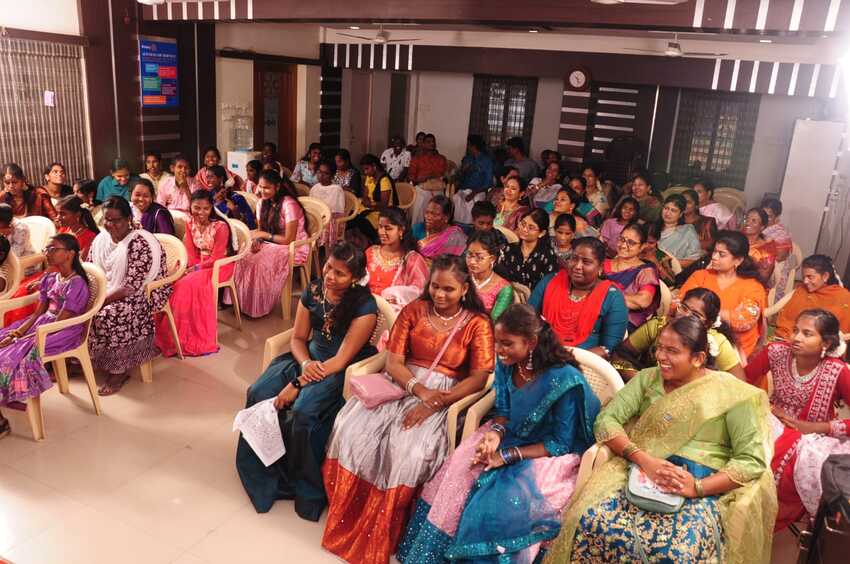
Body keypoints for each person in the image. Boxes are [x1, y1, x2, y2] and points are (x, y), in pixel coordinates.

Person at [547, 315, 776, 564]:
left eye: (672, 351)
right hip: (641, 471)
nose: (660, 357)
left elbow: (751, 460)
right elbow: (606, 420)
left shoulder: (730, 394)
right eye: (659, 348)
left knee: (677, 552)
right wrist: (644, 460)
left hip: (701, 484)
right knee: (591, 521)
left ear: (698, 358)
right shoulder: (648, 379)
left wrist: (697, 488)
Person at [322, 255, 495, 564]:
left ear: (465, 289)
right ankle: (348, 515)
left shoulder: (478, 324)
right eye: (435, 287)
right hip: (402, 383)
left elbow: (479, 377)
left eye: (449, 290)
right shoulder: (414, 310)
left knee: (408, 450)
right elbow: (394, 362)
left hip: (447, 396)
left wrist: (436, 401)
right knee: (352, 430)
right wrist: (418, 389)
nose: (440, 295)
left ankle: (388, 529)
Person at [397, 304, 600, 563]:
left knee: (498, 500)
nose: (499, 351)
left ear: (531, 343)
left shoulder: (564, 381)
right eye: (497, 342)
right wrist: (494, 435)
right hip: (510, 434)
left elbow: (559, 443)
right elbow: (503, 411)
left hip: (547, 452)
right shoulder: (508, 364)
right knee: (460, 468)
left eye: (507, 344)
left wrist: (506, 456)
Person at [237, 243, 379, 520]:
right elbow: (298, 338)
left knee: (304, 412)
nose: (329, 277)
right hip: (307, 359)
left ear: (355, 277)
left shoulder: (365, 307)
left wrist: (297, 384)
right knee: (258, 392)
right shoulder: (314, 290)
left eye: (340, 273)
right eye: (328, 267)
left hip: (338, 370)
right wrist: (303, 364)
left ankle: (304, 487)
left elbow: (339, 361)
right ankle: (265, 468)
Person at [745, 309, 850, 531]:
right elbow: (742, 383)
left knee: (815, 463)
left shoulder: (837, 370)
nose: (796, 338)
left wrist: (816, 427)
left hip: (814, 438)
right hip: (772, 423)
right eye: (795, 331)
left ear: (826, 342)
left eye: (807, 333)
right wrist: (771, 408)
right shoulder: (775, 352)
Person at [0, 234, 91, 438]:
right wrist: (17, 332)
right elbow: (38, 312)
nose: (47, 254)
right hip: (43, 325)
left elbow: (59, 321)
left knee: (7, 357)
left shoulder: (76, 284)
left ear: (69, 254)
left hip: (63, 330)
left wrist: (19, 340)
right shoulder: (51, 277)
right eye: (47, 249)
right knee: (3, 340)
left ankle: (2, 421)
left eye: (53, 249)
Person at [89, 197, 171, 395]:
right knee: (76, 305)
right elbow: (91, 268)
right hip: (109, 289)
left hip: (144, 292)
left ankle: (119, 370)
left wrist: (100, 301)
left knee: (111, 313)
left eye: (116, 220)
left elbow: (131, 286)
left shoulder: (140, 243)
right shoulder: (101, 239)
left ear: (128, 219)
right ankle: (87, 358)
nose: (110, 225)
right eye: (107, 220)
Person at [155, 190, 234, 357]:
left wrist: (196, 269)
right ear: (190, 206)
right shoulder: (189, 223)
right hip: (198, 264)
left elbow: (217, 256)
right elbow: (190, 253)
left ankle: (181, 336)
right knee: (171, 278)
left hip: (219, 266)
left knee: (185, 285)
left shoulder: (221, 227)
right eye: (197, 208)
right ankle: (166, 332)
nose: (201, 213)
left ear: (211, 208)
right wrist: (187, 267)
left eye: (206, 208)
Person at [612, 287, 744, 380]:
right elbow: (619, 354)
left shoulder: (716, 343)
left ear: (708, 324)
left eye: (696, 315)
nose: (685, 316)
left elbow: (740, 384)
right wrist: (639, 380)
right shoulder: (658, 326)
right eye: (684, 308)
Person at [529, 237, 628, 357]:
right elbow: (527, 319)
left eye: (586, 262)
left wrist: (567, 359)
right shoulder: (551, 281)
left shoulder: (612, 297)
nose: (577, 266)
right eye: (574, 259)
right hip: (541, 354)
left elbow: (609, 348)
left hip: (584, 366)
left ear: (601, 268)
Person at [228, 172, 308, 319]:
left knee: (260, 262)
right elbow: (261, 229)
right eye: (260, 186)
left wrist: (264, 236)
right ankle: (240, 303)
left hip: (294, 246)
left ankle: (257, 307)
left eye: (267, 188)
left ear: (277, 187)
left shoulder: (289, 205)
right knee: (243, 255)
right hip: (271, 242)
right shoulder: (261, 203)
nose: (261, 191)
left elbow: (289, 239)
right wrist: (257, 241)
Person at [679, 231, 766, 357]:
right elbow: (677, 305)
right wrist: (724, 315)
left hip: (733, 348)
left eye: (721, 254)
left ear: (738, 260)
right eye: (714, 251)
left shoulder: (753, 286)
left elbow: (743, 320)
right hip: (691, 337)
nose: (714, 257)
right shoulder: (701, 276)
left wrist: (703, 312)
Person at [775, 254, 850, 341]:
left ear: (825, 276)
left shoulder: (844, 297)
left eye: (810, 277)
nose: (805, 281)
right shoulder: (801, 290)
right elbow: (787, 321)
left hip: (825, 348)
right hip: (790, 340)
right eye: (804, 277)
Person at [365, 207, 429, 303]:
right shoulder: (370, 252)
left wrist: (397, 299)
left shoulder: (412, 259)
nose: (382, 232)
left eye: (388, 228)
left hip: (394, 312)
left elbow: (419, 291)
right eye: (380, 227)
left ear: (401, 230)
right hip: (365, 308)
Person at [604, 222, 660, 331]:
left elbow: (642, 301)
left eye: (631, 243)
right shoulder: (603, 263)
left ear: (642, 246)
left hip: (625, 323)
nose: (624, 245)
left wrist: (603, 295)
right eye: (621, 239)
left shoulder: (646, 271)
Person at [495, 208, 558, 292]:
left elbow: (547, 287)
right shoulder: (508, 249)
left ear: (541, 233)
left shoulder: (548, 255)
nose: (524, 229)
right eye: (523, 224)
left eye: (531, 228)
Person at [347, 154, 397, 248]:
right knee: (351, 214)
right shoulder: (369, 177)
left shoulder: (384, 180)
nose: (365, 172)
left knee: (360, 220)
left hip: (381, 211)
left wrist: (371, 205)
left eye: (367, 169)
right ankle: (359, 241)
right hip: (369, 207)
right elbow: (365, 194)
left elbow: (384, 204)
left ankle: (374, 240)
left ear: (374, 166)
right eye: (364, 170)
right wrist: (366, 200)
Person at [466, 230, 513, 320]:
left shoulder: (504, 289)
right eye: (469, 254)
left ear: (492, 259)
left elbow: (495, 322)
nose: (472, 261)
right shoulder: (461, 277)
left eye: (479, 257)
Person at [452, 134, 494, 225]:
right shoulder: (467, 159)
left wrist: (473, 193)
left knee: (474, 202)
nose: (468, 147)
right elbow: (459, 178)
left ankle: (472, 227)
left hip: (478, 191)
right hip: (464, 190)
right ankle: (458, 226)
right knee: (456, 198)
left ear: (473, 146)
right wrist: (463, 171)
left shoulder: (487, 161)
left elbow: (488, 183)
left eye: (469, 145)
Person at [408, 133, 448, 226]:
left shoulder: (441, 158)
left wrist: (433, 175)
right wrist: (420, 179)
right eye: (428, 142)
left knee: (438, 203)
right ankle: (418, 231)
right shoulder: (416, 159)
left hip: (437, 188)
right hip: (422, 187)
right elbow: (411, 177)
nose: (431, 144)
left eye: (433, 142)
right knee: (422, 196)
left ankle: (436, 231)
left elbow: (443, 174)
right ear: (423, 144)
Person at [414, 196, 468, 263]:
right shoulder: (417, 229)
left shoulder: (456, 237)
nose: (428, 217)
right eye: (427, 212)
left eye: (435, 214)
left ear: (446, 217)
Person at [657, 194, 703, 268]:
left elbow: (694, 260)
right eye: (666, 208)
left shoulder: (687, 231)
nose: (668, 213)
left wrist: (670, 263)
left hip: (672, 273)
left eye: (673, 210)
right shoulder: (651, 227)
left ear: (681, 214)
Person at [741, 207, 777, 286]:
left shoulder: (767, 248)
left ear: (762, 227)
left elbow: (764, 277)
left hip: (753, 285)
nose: (747, 223)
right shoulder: (736, 238)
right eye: (746, 219)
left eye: (754, 221)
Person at [682, 188, 718, 253]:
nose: (684, 205)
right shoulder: (674, 221)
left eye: (688, 202)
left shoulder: (708, 222)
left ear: (696, 206)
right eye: (682, 202)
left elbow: (711, 244)